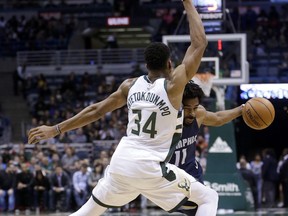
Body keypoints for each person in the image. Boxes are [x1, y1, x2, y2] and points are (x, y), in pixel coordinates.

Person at [28, 1, 217, 215]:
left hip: (121, 162)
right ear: (170, 64)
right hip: (150, 167)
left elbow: (96, 110)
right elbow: (199, 43)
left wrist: (55, 129)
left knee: (88, 211)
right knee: (209, 197)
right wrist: (187, 3)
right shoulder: (174, 85)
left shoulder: (129, 85)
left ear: (146, 65)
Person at [169, 81, 244, 215]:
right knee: (207, 200)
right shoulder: (166, 119)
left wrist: (241, 109)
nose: (192, 113)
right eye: (187, 108)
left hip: (191, 171)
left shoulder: (198, 113)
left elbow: (217, 118)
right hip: (168, 174)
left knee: (203, 204)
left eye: (195, 107)